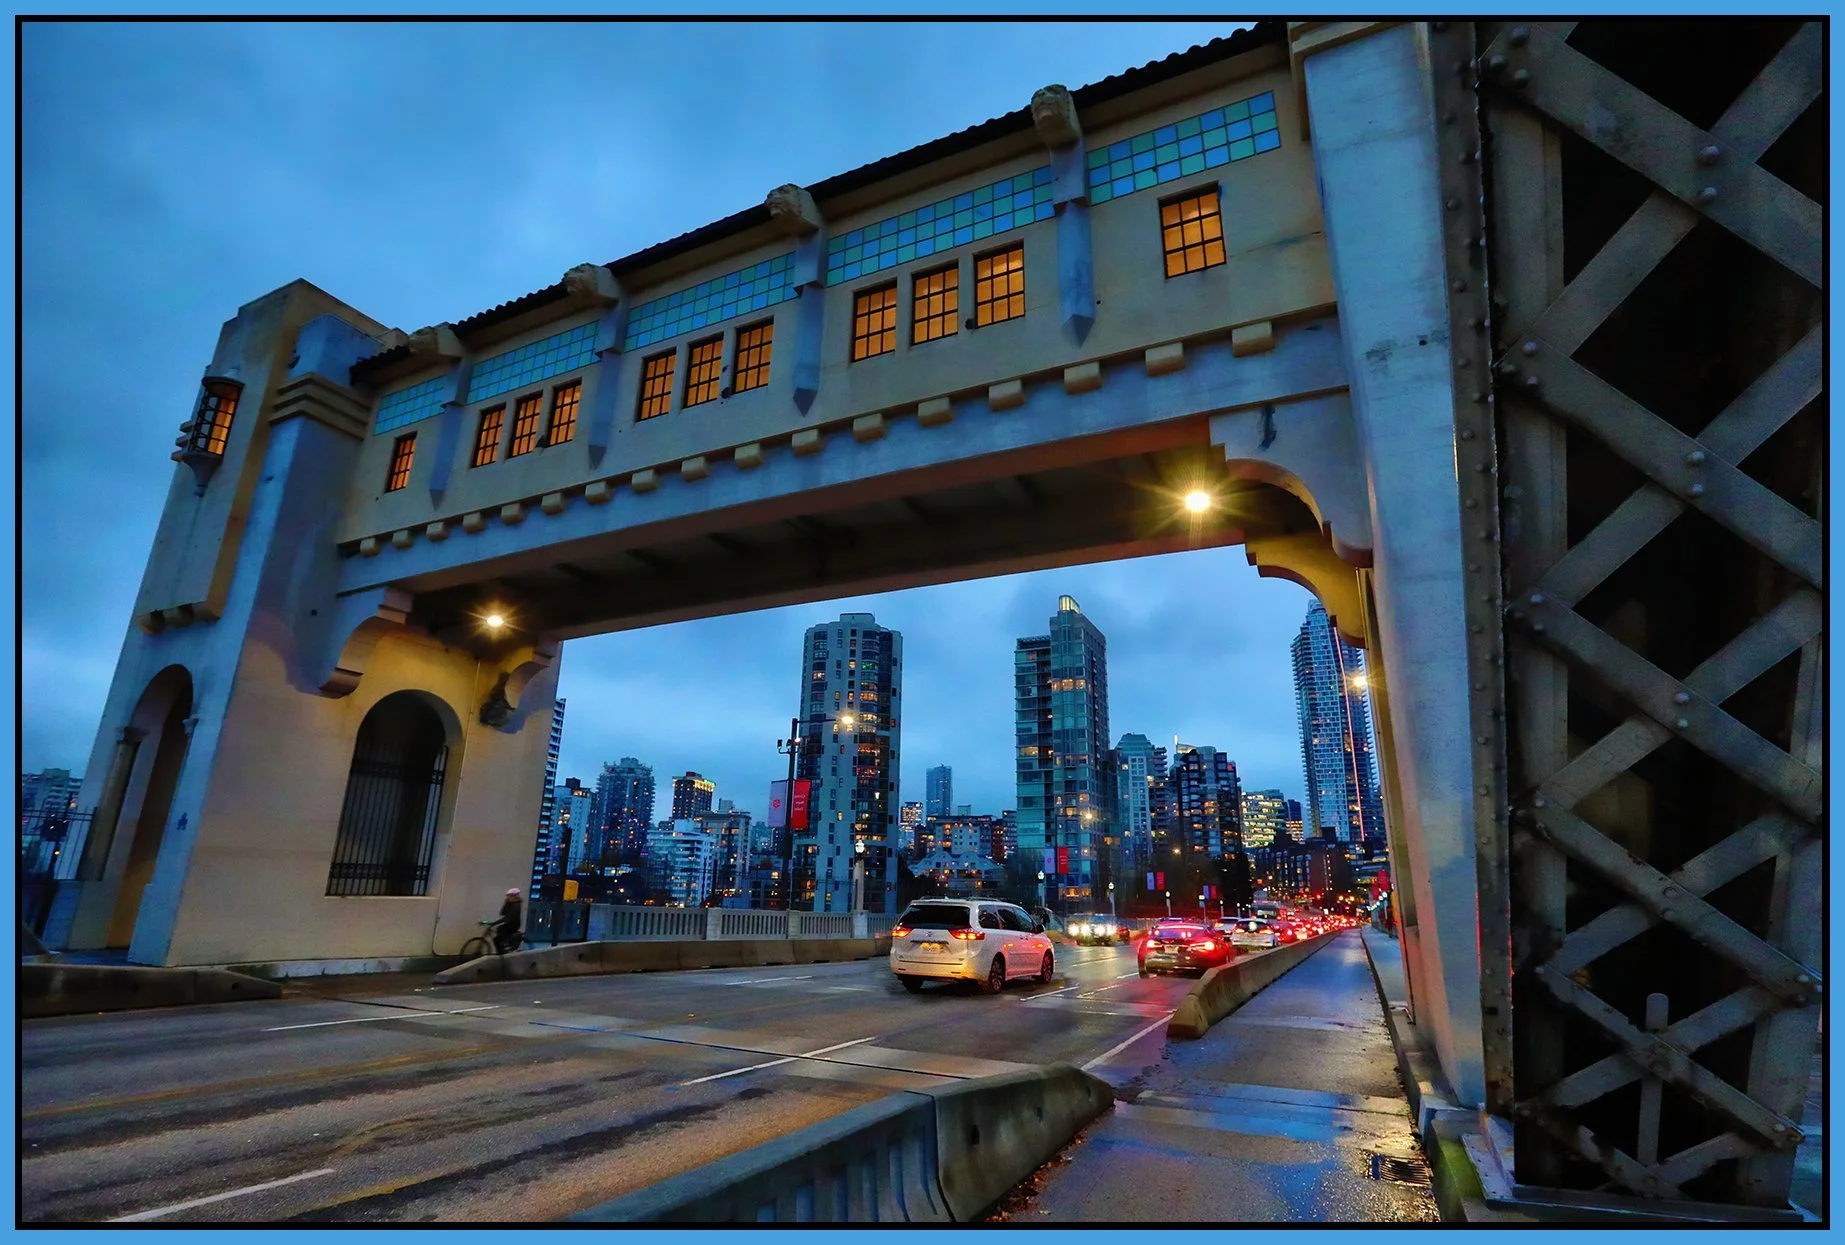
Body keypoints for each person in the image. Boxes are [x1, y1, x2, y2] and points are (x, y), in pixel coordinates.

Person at [494, 887, 524, 954]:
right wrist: (506, 903)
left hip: (513, 924)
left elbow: (510, 917)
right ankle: (501, 952)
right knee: (496, 939)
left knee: (501, 929)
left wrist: (499, 922)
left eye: (509, 896)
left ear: (514, 896)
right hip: (509, 923)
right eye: (508, 896)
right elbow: (503, 913)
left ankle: (506, 947)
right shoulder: (510, 904)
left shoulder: (516, 905)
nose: (508, 897)